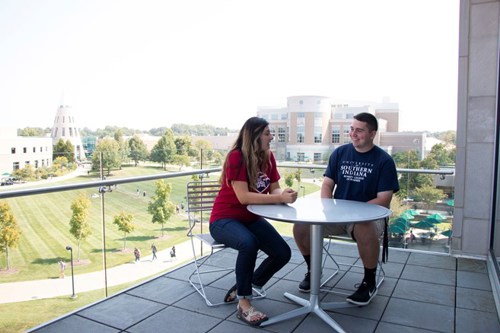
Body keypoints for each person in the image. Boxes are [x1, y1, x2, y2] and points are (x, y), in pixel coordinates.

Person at [293, 112, 399, 306]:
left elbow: (384, 199)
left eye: (359, 130)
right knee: (300, 226)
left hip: (369, 217)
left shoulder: (383, 161)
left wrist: (355, 214)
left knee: (363, 227)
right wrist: (328, 209)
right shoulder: (340, 153)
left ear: (372, 133)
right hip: (337, 215)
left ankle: (369, 281)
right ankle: (313, 270)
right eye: (352, 129)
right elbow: (326, 186)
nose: (353, 133)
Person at [209, 117, 298, 327]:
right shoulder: (236, 157)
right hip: (224, 219)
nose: (271, 137)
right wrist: (279, 198)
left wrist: (283, 193)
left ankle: (244, 286)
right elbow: (244, 197)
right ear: (255, 135)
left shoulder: (268, 156)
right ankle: (244, 303)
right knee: (248, 243)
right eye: (267, 133)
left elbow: (274, 187)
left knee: (282, 253)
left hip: (250, 219)